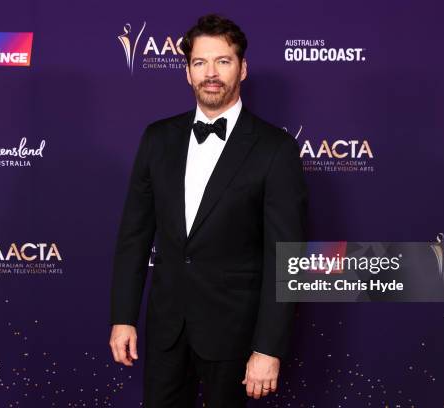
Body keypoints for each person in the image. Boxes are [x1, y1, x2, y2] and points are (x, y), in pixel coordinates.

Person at [109, 13, 308, 407]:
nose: (211, 73)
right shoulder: (157, 138)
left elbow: (286, 258)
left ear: (243, 68)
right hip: (167, 330)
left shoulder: (275, 149)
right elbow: (134, 235)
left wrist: (269, 348)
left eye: (223, 61)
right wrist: (124, 316)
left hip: (235, 335)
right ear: (187, 73)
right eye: (200, 63)